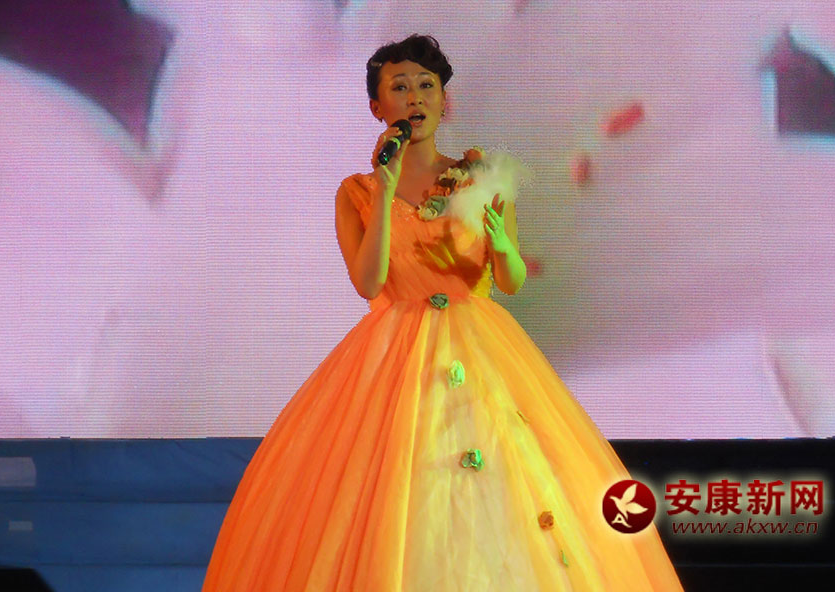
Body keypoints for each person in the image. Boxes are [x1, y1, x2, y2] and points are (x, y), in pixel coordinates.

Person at [203, 34, 684, 591]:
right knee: (399, 490)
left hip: (480, 346)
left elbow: (510, 280)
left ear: (443, 100)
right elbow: (368, 283)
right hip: (396, 355)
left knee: (506, 483)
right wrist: (385, 191)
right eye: (400, 87)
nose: (415, 97)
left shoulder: (481, 176)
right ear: (377, 107)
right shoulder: (356, 192)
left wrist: (501, 243)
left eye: (426, 85)